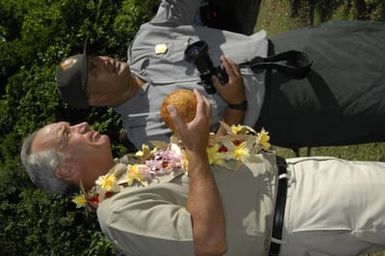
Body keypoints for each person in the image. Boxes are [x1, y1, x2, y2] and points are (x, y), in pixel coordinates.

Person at [21, 90, 385, 256]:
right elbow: (208, 242)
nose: (82, 124)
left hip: (299, 178)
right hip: (299, 214)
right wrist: (193, 149)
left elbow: (217, 165)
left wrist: (230, 107)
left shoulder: (133, 165)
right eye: (68, 132)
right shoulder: (114, 213)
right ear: (67, 168)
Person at [55, 0, 385, 150]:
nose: (103, 61)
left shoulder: (145, 42)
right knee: (374, 107)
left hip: (292, 50)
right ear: (95, 99)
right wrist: (235, 104)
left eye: (94, 57)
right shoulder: (147, 136)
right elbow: (221, 157)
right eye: (93, 71)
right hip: (287, 111)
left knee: (373, 41)